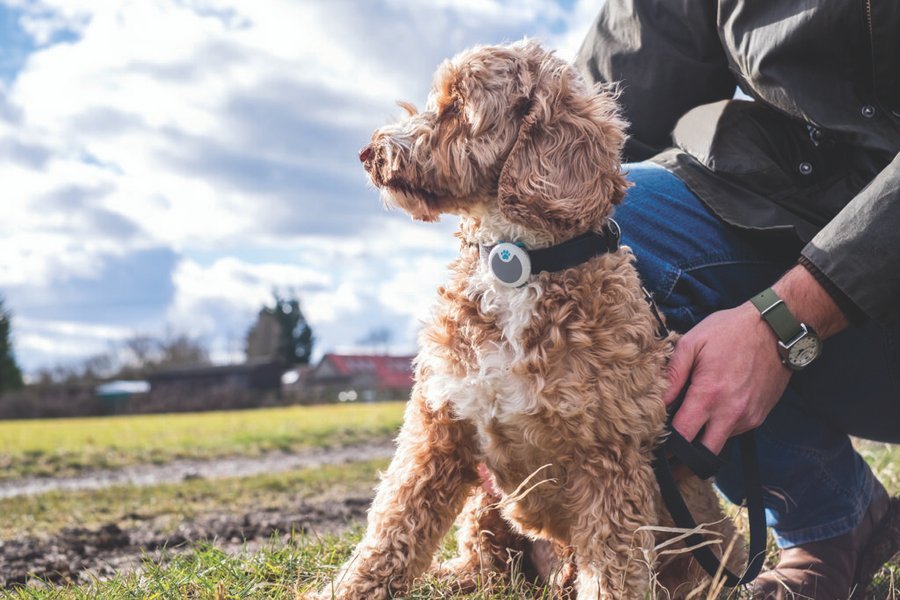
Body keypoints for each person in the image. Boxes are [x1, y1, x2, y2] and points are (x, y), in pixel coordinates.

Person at [574, 1, 900, 597]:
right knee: (595, 237)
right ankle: (834, 521)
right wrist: (519, 345)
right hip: (806, 222)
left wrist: (786, 319)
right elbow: (597, 137)